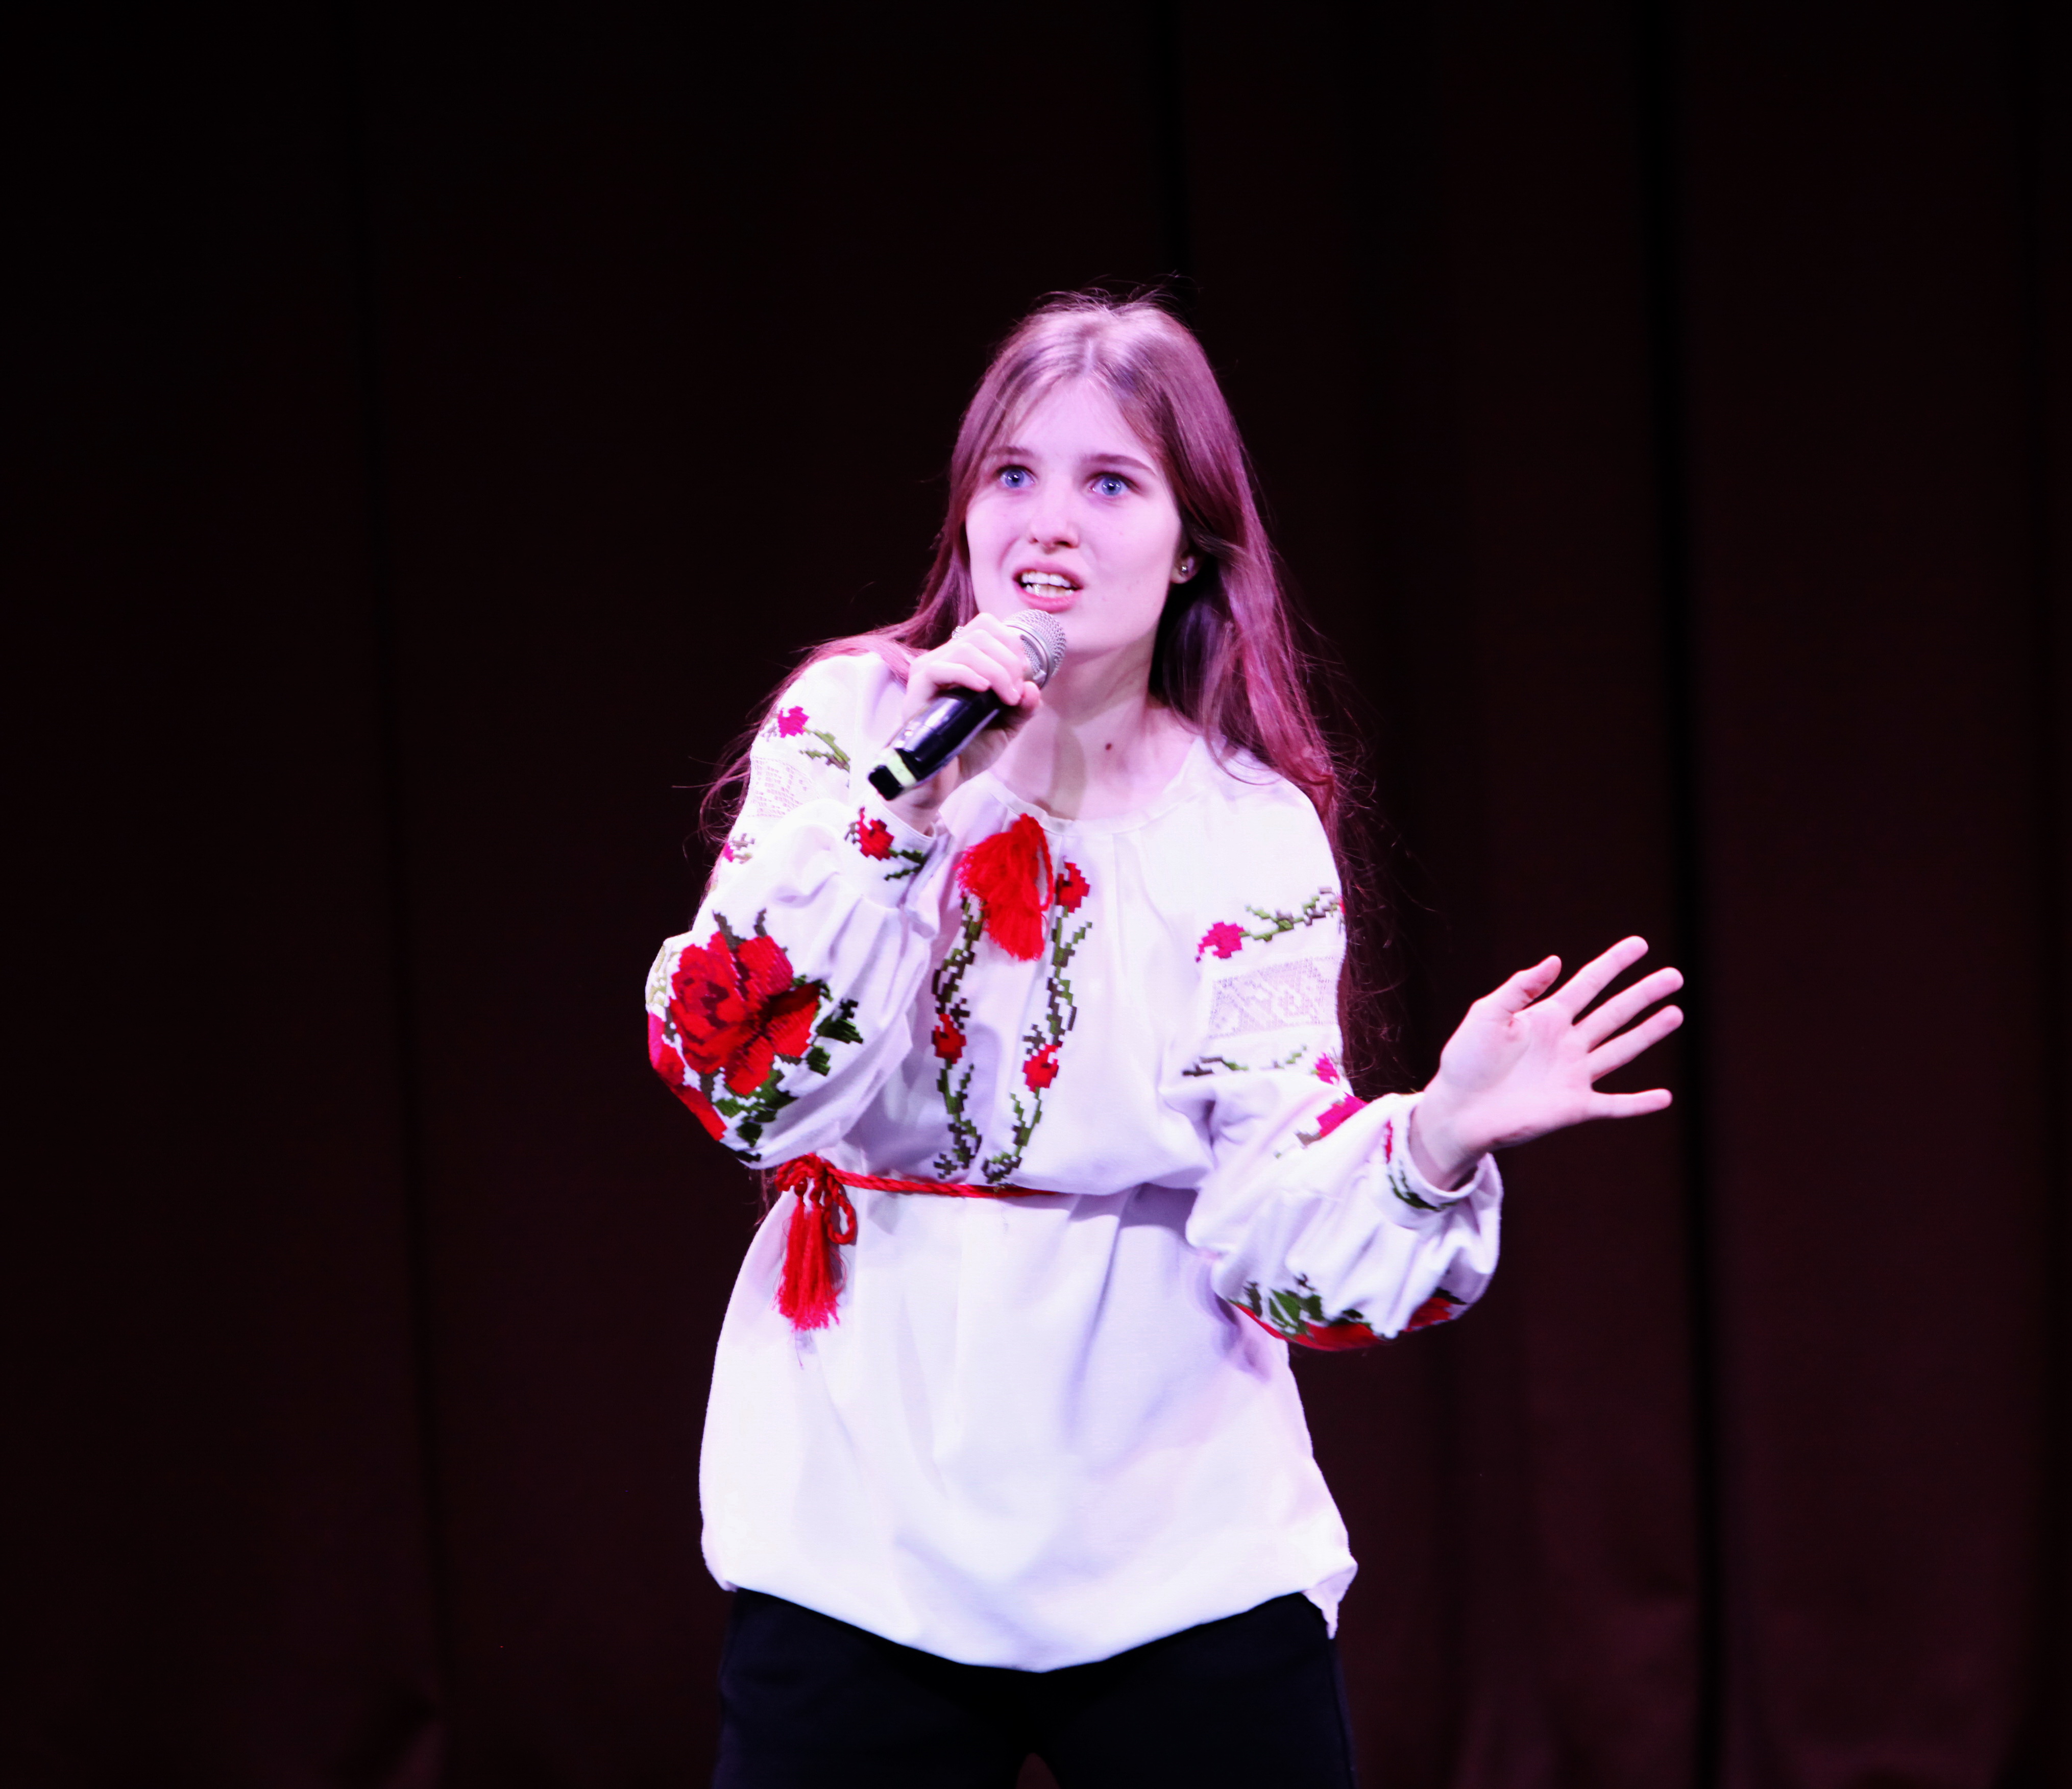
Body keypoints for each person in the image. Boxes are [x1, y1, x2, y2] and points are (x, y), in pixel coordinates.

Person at [645, 294, 1685, 1788]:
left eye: (1110, 482)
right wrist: (902, 815)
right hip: (863, 1515)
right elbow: (743, 1083)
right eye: (1014, 474)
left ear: (1190, 543)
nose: (1048, 524)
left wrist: (1436, 1137)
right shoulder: (857, 722)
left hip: (1172, 1537)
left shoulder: (1245, 832)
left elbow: (1276, 1242)